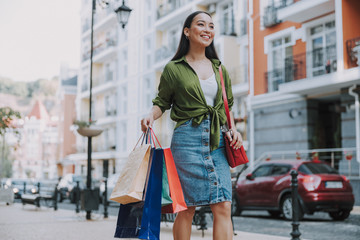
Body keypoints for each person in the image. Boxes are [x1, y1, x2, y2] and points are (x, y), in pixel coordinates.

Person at [141, 11, 243, 240]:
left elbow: (228, 106)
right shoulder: (174, 68)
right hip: (187, 141)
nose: (208, 29)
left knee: (223, 205)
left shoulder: (219, 68)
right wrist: (150, 115)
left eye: (211, 26)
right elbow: (161, 102)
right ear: (187, 31)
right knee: (187, 207)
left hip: (218, 140)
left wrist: (234, 130)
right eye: (201, 24)